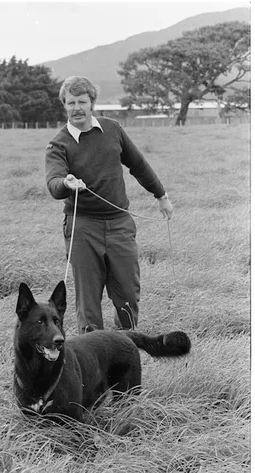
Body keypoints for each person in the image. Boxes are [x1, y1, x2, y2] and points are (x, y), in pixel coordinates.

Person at [45, 75, 173, 334]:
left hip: (120, 224)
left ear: (92, 103)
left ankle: (125, 348)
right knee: (88, 302)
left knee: (128, 294)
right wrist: (66, 183)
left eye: (82, 101)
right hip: (83, 228)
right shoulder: (58, 144)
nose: (76, 108)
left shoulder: (112, 129)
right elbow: (54, 182)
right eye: (71, 103)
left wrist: (161, 195)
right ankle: (93, 364)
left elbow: (138, 165)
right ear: (64, 105)